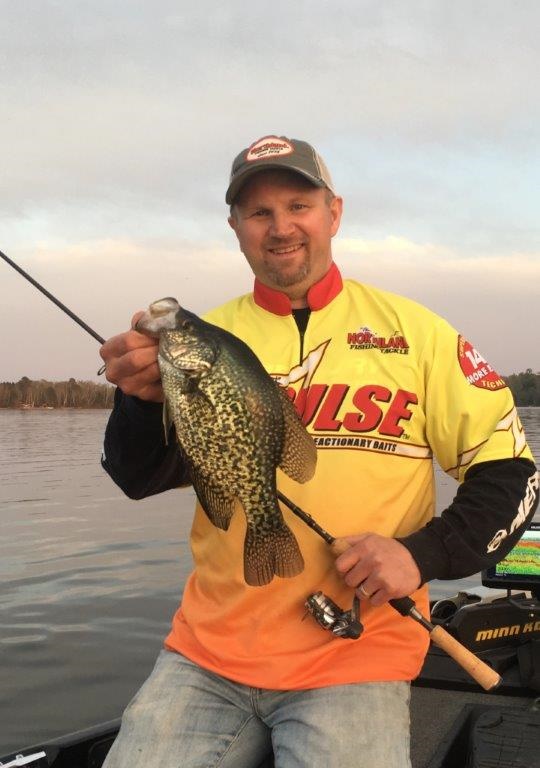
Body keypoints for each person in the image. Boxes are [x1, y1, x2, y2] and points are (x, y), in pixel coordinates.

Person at [99, 135, 539, 768]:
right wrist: (140, 402)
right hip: (207, 653)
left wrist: (422, 555)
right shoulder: (205, 337)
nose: (281, 227)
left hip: (356, 654)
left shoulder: (419, 335)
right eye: (259, 213)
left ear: (334, 213)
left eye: (298, 205)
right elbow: (138, 477)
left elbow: (512, 473)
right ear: (236, 228)